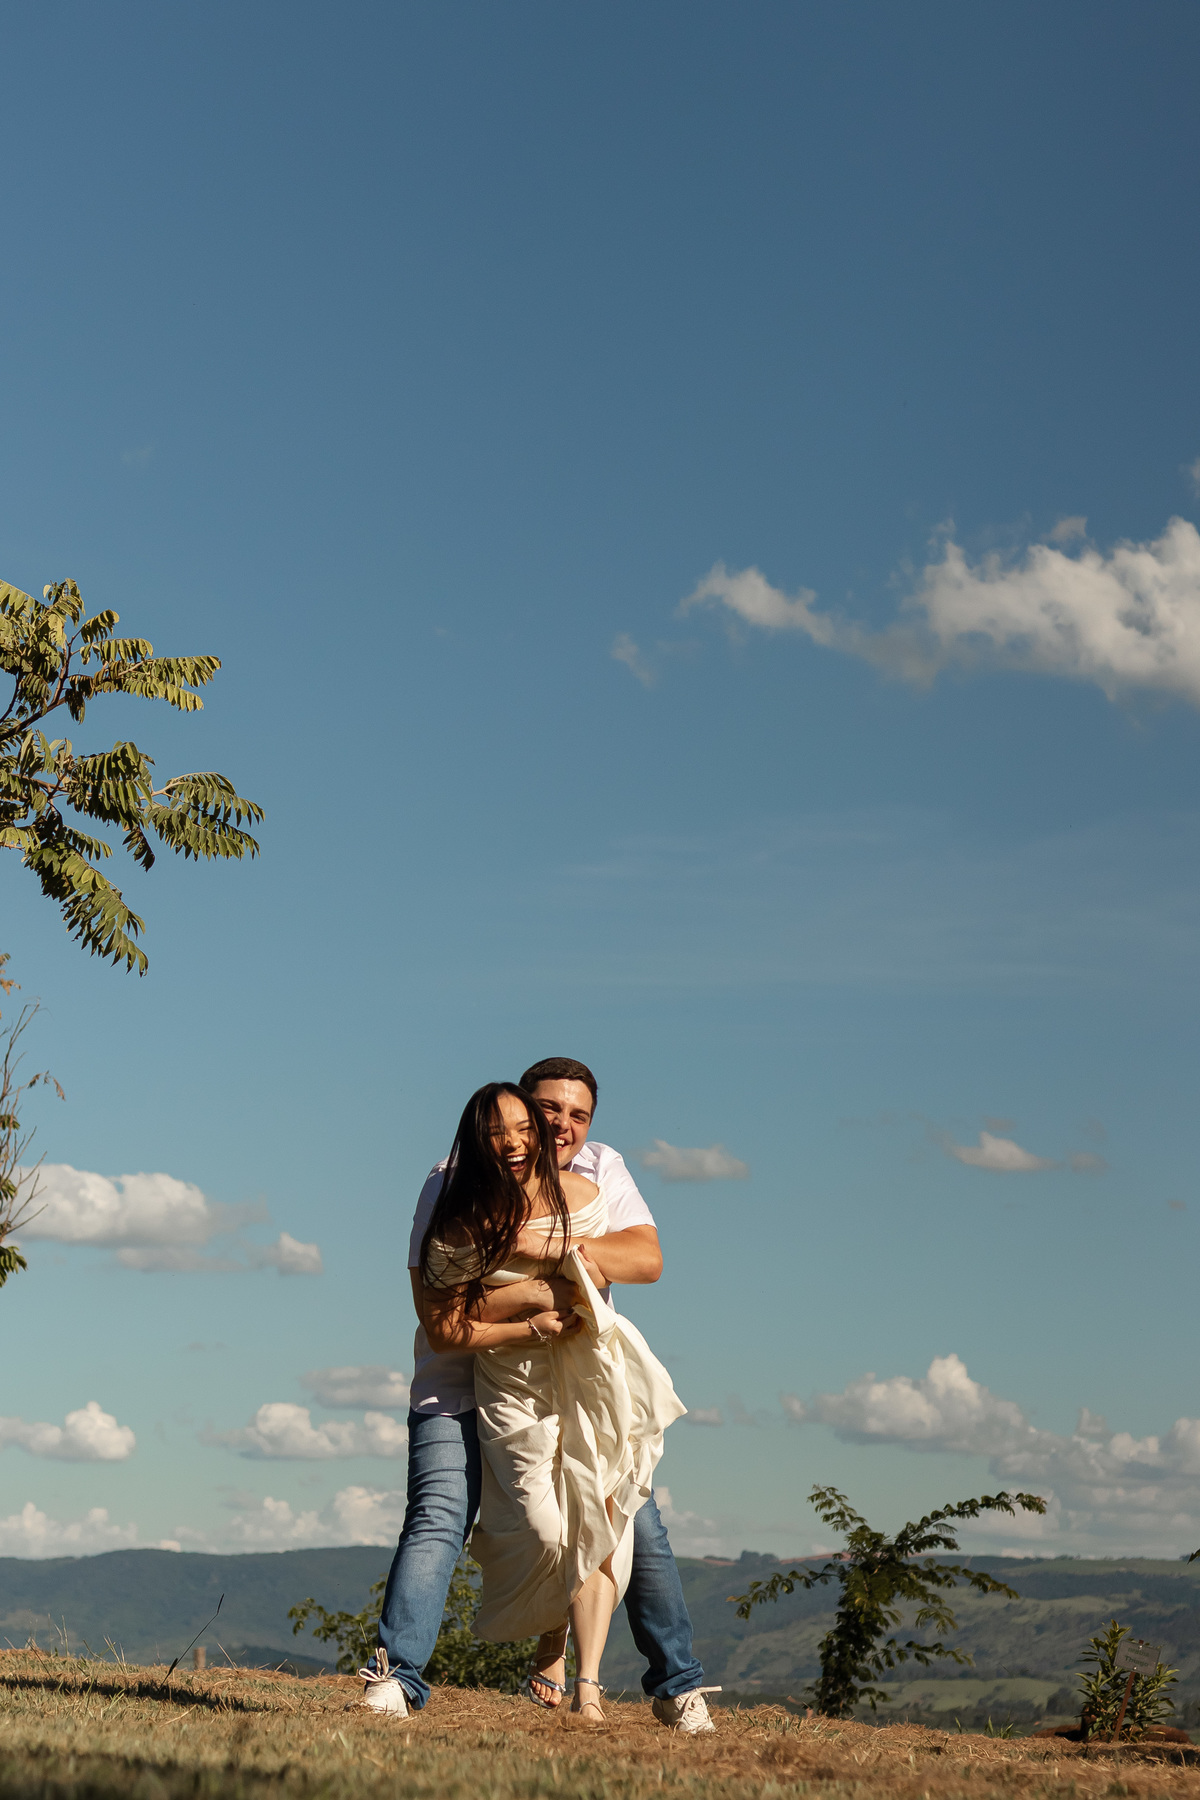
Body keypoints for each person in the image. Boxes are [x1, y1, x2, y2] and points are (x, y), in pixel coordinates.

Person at [360, 1056, 718, 1732]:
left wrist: (545, 1248)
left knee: (637, 1524)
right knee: (439, 1516)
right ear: (517, 1112)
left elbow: (646, 1259)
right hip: (458, 1386)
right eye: (546, 1110)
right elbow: (441, 1314)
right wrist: (539, 1292)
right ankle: (397, 1678)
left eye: (577, 1115)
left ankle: (676, 1687)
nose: (560, 1126)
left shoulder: (600, 1170)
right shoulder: (450, 1181)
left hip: (568, 1388)